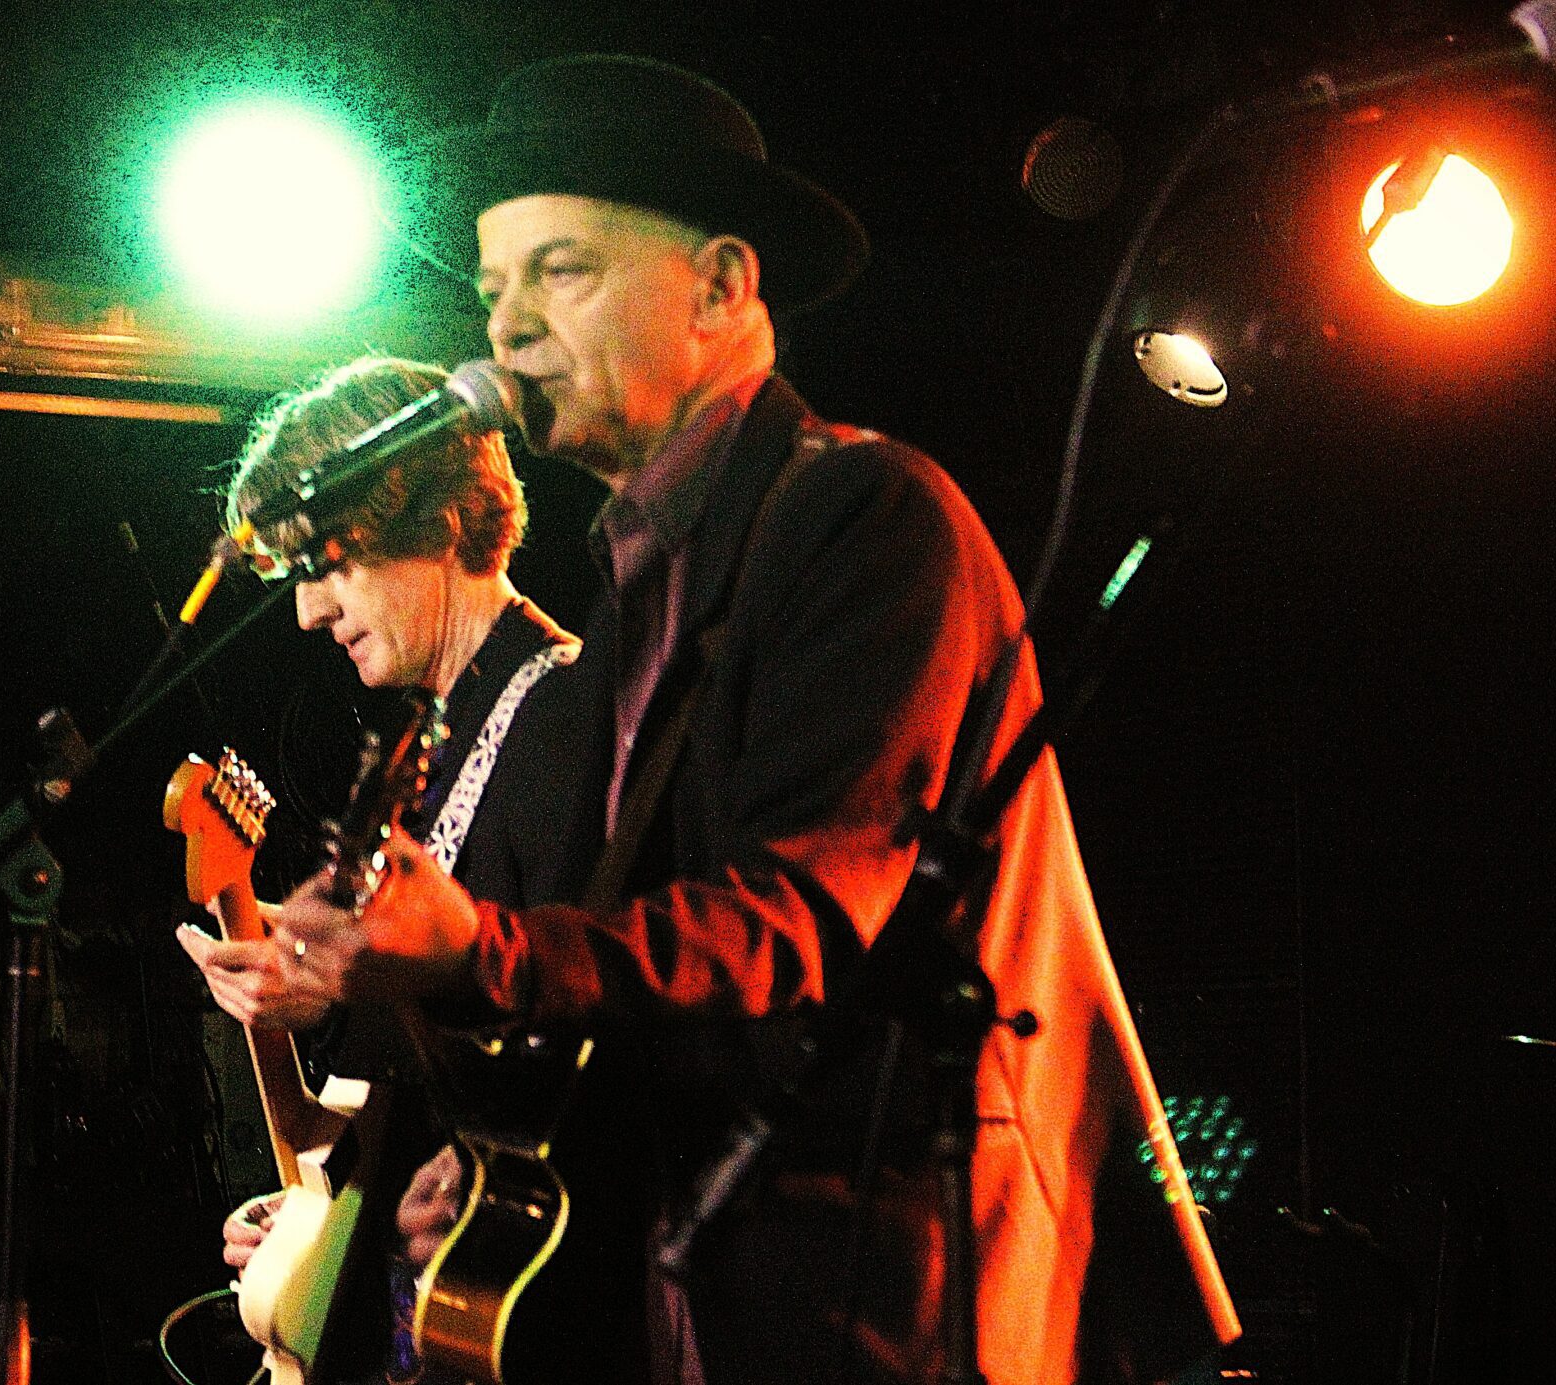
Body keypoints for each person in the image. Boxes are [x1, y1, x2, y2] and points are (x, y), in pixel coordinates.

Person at [252, 54, 1243, 1385]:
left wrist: (478, 949)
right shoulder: (631, 587)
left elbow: (802, 915)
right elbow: (625, 969)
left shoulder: (863, 516)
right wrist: (464, 1144)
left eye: (560, 271)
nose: (506, 328)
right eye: (491, 289)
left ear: (721, 287)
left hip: (888, 1283)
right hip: (715, 1282)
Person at [176, 354, 636, 1384]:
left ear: (440, 525)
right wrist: (323, 1208)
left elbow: (582, 1038)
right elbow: (419, 1092)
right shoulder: (426, 742)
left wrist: (346, 995)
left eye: (329, 566)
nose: (307, 612)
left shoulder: (563, 718)